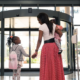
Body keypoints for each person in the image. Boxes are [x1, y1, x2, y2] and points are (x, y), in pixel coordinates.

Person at [32, 13, 65, 80]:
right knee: (55, 64)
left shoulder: (42, 26)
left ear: (42, 19)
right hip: (54, 46)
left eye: (38, 20)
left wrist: (36, 51)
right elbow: (61, 33)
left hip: (47, 47)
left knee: (47, 65)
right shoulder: (54, 25)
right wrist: (56, 39)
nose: (38, 21)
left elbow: (39, 40)